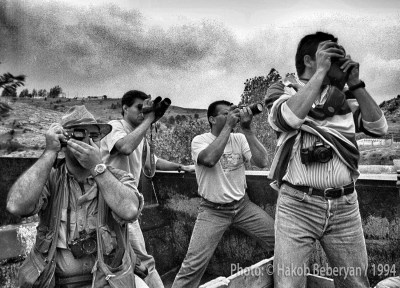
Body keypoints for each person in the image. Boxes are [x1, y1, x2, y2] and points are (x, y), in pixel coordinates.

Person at [266, 31, 388, 287]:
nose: (338, 59)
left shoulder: (343, 98)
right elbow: (287, 119)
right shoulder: (284, 91)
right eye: (330, 54)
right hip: (297, 206)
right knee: (288, 283)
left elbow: (379, 128)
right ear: (310, 60)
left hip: (345, 206)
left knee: (355, 282)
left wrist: (356, 83)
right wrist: (320, 73)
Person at [6, 105, 148, 288]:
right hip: (56, 281)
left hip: (108, 281)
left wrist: (97, 168)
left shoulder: (117, 178)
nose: (89, 142)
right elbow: (16, 206)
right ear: (65, 141)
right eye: (81, 134)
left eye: (95, 136)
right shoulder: (51, 180)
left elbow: (129, 210)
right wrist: (50, 152)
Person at [171, 100, 275, 288]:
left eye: (232, 113)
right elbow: (209, 160)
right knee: (193, 264)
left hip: (243, 207)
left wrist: (247, 129)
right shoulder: (200, 140)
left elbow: (263, 162)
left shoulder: (240, 139)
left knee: (279, 240)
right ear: (212, 119)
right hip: (213, 210)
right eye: (225, 113)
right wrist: (228, 127)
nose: (231, 116)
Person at [100, 90, 194, 288]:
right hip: (109, 204)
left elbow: (152, 163)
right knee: (143, 260)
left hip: (126, 205)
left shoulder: (139, 135)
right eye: (138, 108)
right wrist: (149, 120)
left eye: (146, 108)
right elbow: (124, 147)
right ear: (124, 108)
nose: (142, 112)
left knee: (134, 260)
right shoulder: (114, 127)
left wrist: (179, 166)